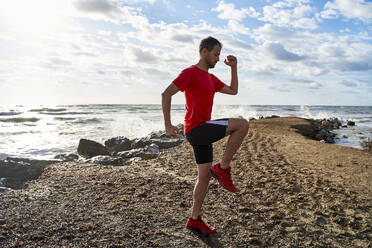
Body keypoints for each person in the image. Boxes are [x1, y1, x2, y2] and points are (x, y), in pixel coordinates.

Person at [161, 36, 249, 236]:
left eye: (219, 55)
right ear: (204, 52)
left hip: (202, 133)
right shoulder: (190, 73)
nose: (218, 58)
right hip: (196, 129)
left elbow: (233, 91)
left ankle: (194, 219)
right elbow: (166, 94)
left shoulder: (211, 79)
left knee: (204, 178)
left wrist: (234, 68)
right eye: (216, 54)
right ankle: (223, 168)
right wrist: (167, 124)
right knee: (242, 124)